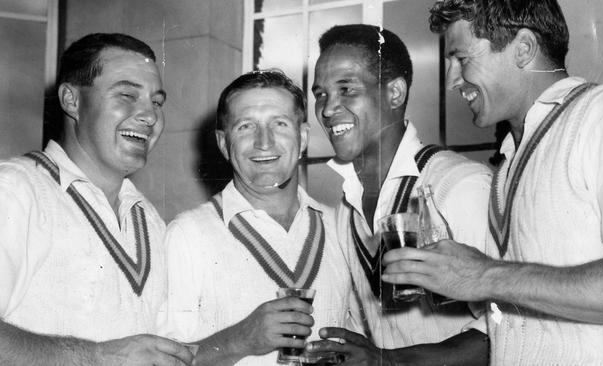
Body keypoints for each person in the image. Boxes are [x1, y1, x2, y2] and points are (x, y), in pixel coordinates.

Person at [383, 0, 603, 364]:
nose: (450, 81)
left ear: (523, 48)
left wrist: (485, 275)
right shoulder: (510, 163)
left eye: (461, 59)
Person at [0, 33, 194, 365]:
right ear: (71, 100)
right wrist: (99, 356)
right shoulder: (16, 190)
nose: (150, 116)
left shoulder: (149, 220)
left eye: (157, 102)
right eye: (127, 94)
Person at [307, 24, 493, 365]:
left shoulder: (458, 186)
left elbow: (510, 327)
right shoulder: (346, 209)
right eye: (320, 94)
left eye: (346, 89)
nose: (328, 108)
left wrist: (387, 362)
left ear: (395, 93)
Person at [160, 70, 362, 365]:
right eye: (245, 127)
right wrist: (241, 339)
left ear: (303, 137)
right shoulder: (187, 234)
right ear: (222, 143)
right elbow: (163, 360)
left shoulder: (341, 227)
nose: (264, 142)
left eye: (279, 124)